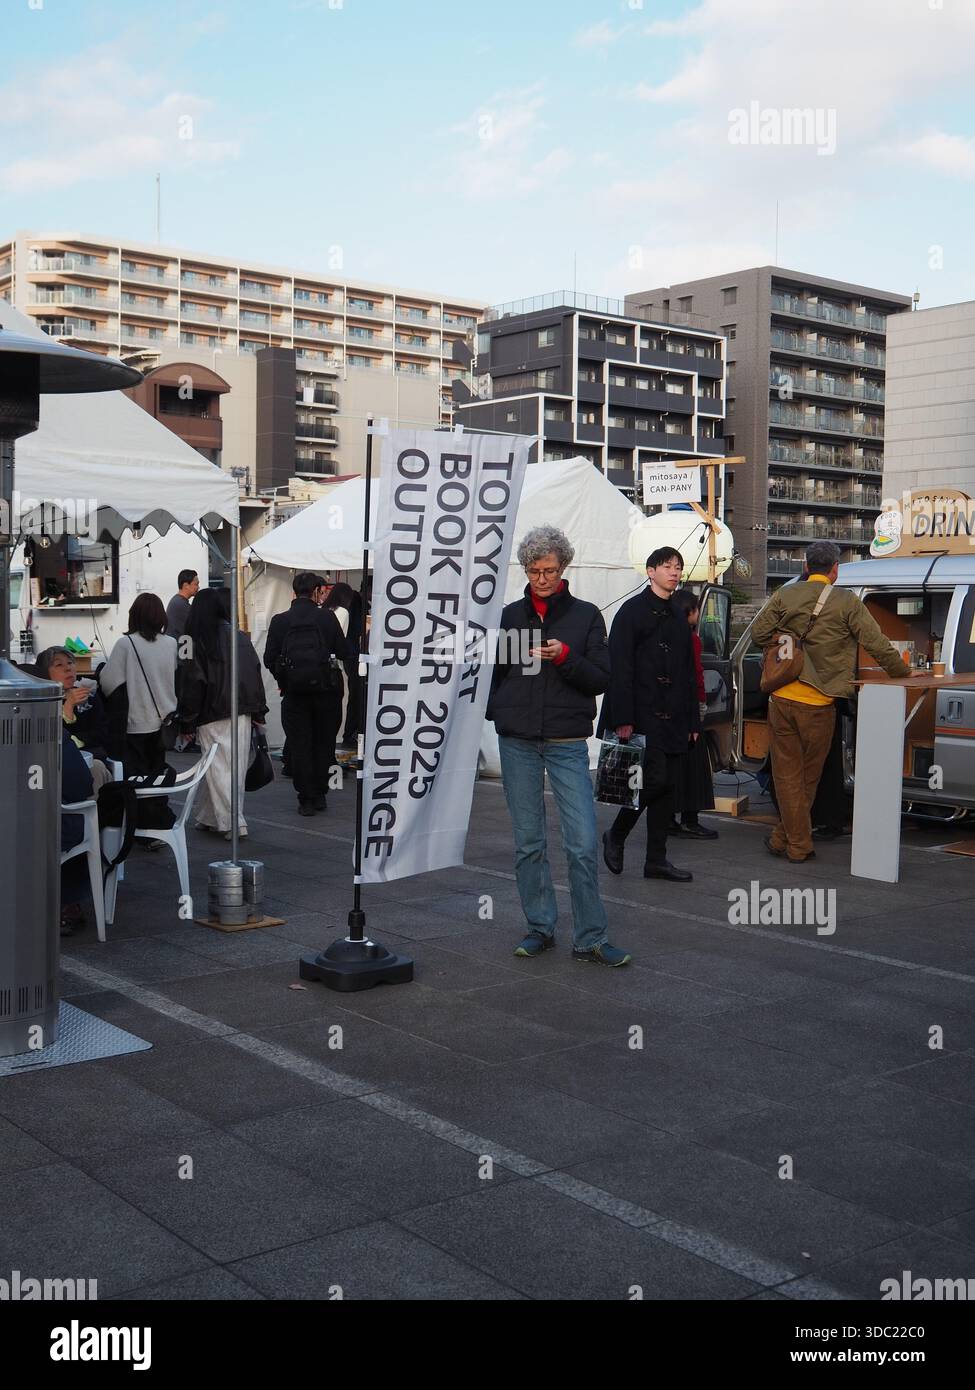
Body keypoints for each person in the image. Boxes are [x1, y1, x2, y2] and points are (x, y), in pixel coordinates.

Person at [488, 525, 632, 967]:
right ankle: (539, 927)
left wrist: (566, 657)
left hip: (568, 740)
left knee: (582, 842)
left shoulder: (587, 615)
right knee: (529, 842)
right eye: (533, 571)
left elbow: (602, 678)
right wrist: (499, 709)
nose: (542, 578)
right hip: (518, 739)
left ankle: (590, 936)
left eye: (549, 570)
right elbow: (497, 671)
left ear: (563, 567)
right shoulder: (511, 615)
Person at [752, 539, 914, 862]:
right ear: (835, 570)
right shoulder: (847, 603)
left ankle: (783, 836)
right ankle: (799, 846)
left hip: (781, 699)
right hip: (819, 703)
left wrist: (788, 640)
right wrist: (903, 672)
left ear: (806, 567)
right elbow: (877, 643)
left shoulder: (785, 594)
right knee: (808, 777)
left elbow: (758, 634)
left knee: (787, 777)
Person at [601, 547, 699, 882]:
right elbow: (620, 668)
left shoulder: (677, 614)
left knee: (668, 786)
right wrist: (622, 717)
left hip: (674, 715)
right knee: (651, 780)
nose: (674, 572)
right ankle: (616, 833)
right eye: (667, 566)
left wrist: (693, 721)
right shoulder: (631, 612)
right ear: (650, 571)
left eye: (678, 567)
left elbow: (688, 672)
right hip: (641, 713)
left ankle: (656, 859)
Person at [177, 588, 267, 839]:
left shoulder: (195, 640)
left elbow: (192, 683)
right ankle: (209, 816)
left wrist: (186, 722)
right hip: (242, 711)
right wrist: (259, 710)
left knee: (217, 767)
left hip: (211, 711)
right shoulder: (239, 636)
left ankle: (233, 822)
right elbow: (253, 673)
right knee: (229, 768)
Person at [263, 571, 346, 816]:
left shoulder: (280, 621)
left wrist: (285, 678)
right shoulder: (327, 619)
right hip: (326, 692)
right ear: (316, 591)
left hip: (294, 693)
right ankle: (320, 793)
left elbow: (269, 658)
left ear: (294, 592)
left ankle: (305, 798)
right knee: (324, 742)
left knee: (300, 744)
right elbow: (342, 650)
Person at [99, 593, 178, 777]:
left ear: (134, 615)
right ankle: (157, 805)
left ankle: (140, 806)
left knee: (136, 778)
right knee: (157, 776)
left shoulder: (126, 644)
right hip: (164, 723)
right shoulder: (171, 644)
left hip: (137, 724)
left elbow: (108, 683)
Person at [668, 589, 718, 840]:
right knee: (695, 766)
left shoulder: (665, 635)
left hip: (668, 709)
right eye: (696, 609)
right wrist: (701, 705)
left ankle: (668, 818)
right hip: (688, 708)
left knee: (671, 768)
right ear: (689, 612)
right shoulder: (692, 639)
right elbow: (696, 676)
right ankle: (690, 819)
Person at [35, 646, 111, 783]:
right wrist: (68, 707)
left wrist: (77, 741)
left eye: (70, 663)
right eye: (59, 665)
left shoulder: (89, 696)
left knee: (97, 768)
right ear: (45, 673)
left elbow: (103, 732)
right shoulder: (41, 701)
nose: (68, 668)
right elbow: (48, 738)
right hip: (51, 764)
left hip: (90, 758)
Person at [59, 726, 95, 936]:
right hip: (46, 829)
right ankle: (68, 904)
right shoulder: (53, 732)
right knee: (80, 823)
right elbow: (81, 785)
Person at [165, 569, 199, 640]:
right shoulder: (181, 604)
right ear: (186, 585)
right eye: (196, 584)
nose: (198, 587)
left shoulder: (178, 601)